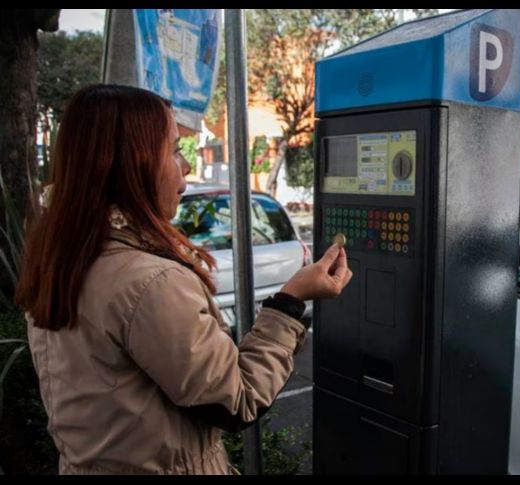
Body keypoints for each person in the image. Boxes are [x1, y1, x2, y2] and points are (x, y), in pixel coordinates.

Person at [14, 84, 353, 474]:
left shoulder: (60, 258)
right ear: (132, 163)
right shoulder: (147, 282)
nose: (187, 166)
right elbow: (239, 400)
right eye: (175, 150)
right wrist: (291, 301)